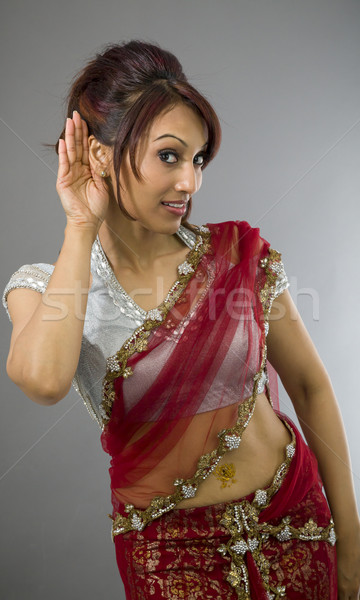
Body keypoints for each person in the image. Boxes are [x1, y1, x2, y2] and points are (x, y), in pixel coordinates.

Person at [2, 40, 359, 599]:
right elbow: (44, 382)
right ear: (99, 155)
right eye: (169, 156)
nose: (189, 184)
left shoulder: (240, 255)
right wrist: (79, 226)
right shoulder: (43, 288)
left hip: (296, 522)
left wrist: (353, 550)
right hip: (171, 556)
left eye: (197, 160)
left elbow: (310, 388)